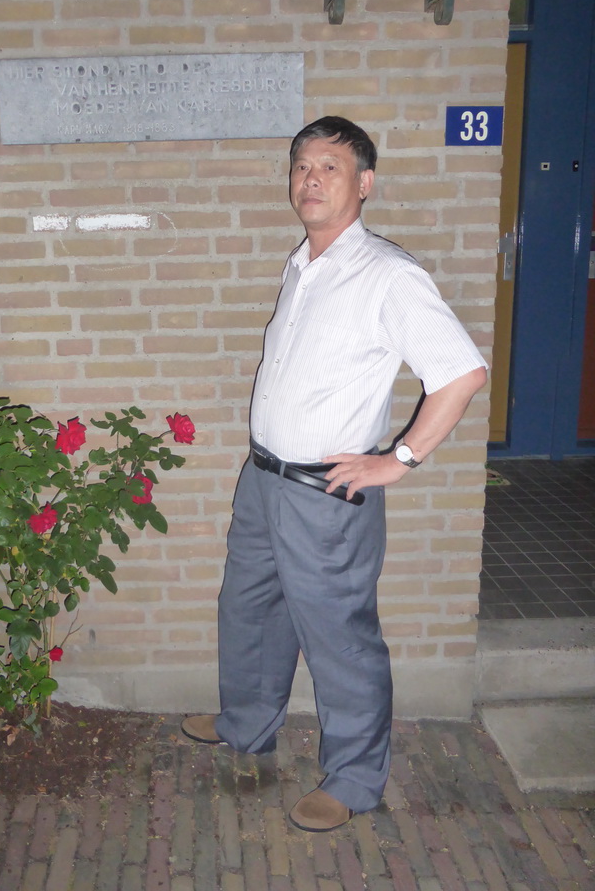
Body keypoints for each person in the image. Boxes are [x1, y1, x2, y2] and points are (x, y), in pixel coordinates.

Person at [180, 116, 488, 833]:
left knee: (340, 637)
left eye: (330, 167)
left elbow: (461, 373)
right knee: (249, 610)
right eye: (301, 167)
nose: (310, 180)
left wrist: (399, 459)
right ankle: (247, 723)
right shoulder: (303, 264)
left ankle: (353, 781)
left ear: (364, 184)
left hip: (327, 492)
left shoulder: (388, 274)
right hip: (262, 480)